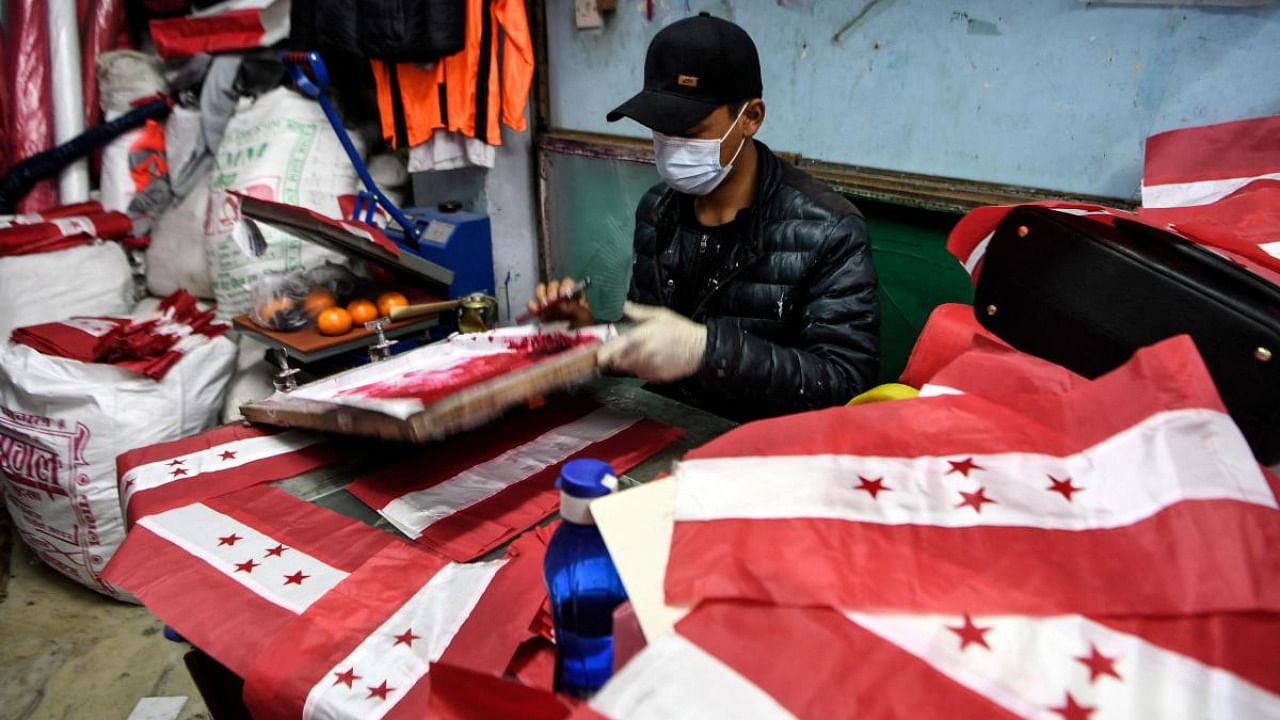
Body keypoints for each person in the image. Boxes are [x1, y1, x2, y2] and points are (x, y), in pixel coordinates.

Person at [529, 13, 879, 422]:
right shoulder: (657, 211)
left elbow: (847, 384)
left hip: (768, 456)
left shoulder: (828, 230)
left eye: (692, 133)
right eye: (661, 131)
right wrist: (590, 333)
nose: (673, 148)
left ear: (751, 117)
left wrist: (707, 352)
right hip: (665, 437)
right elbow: (652, 345)